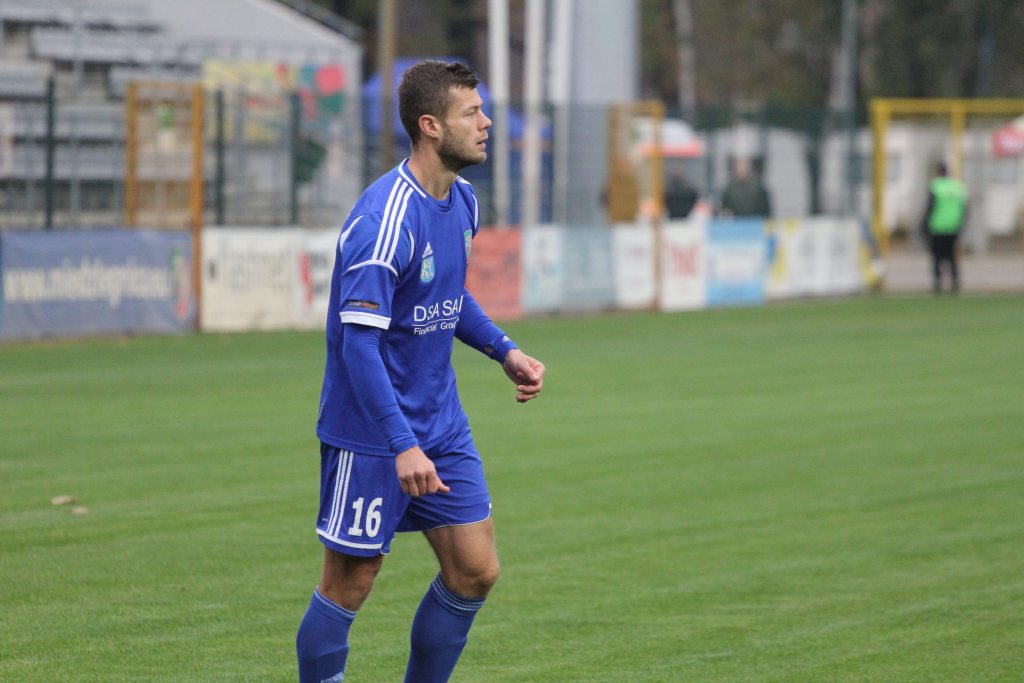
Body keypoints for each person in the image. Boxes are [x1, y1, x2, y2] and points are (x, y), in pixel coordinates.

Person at [296, 60, 546, 683]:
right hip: (372, 433)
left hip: (441, 424)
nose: (487, 124)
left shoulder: (462, 200)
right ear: (431, 126)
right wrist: (399, 443)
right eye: (472, 113)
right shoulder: (384, 222)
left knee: (474, 569)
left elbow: (446, 295)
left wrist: (503, 350)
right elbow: (359, 347)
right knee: (350, 580)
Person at [921, 161, 968, 294]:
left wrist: (924, 224)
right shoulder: (958, 187)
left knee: (936, 256)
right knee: (951, 255)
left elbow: (930, 207)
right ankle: (955, 282)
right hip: (954, 226)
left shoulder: (936, 187)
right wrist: (961, 223)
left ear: (938, 172)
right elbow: (965, 208)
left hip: (937, 226)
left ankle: (937, 283)